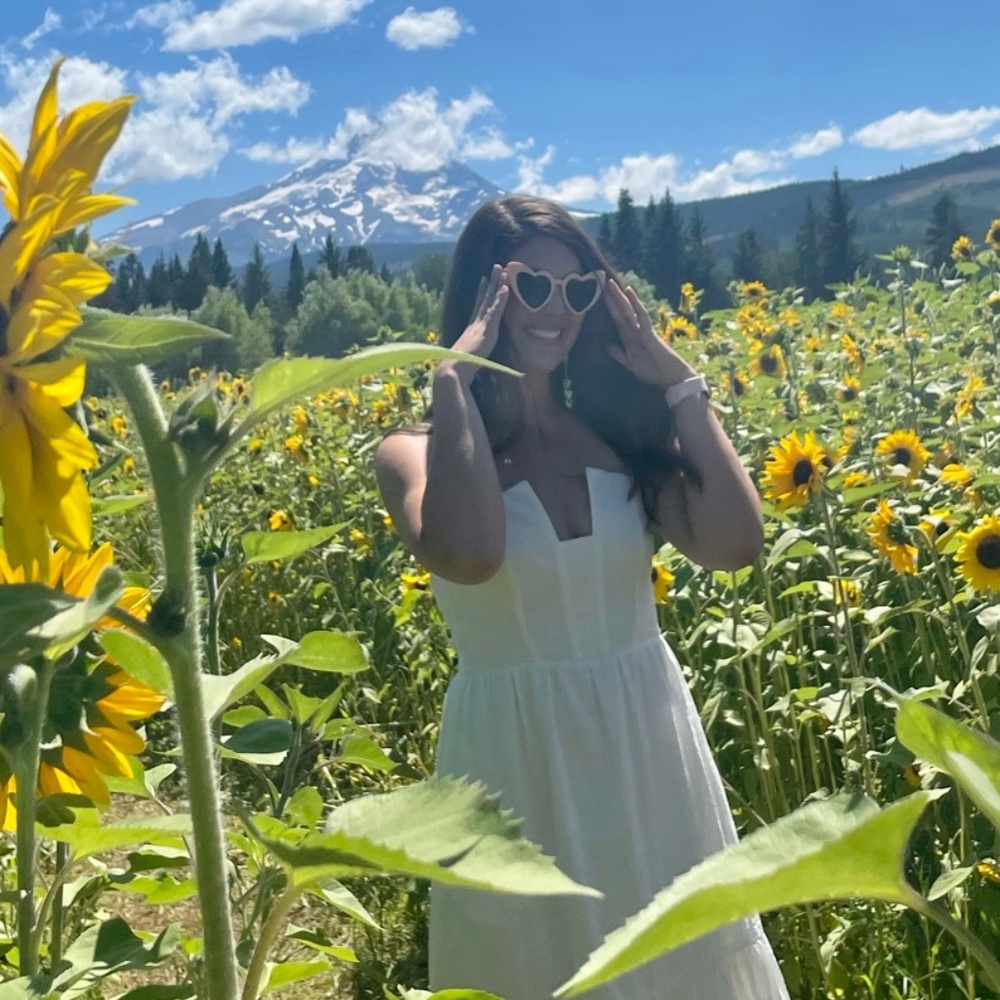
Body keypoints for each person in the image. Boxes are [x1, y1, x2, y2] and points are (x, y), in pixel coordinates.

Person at [375, 195, 789, 1000]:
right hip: (514, 756)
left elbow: (735, 545)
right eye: (531, 287)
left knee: (682, 957)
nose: (555, 311)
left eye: (577, 290)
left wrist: (679, 382)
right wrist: (454, 381)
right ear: (483, 298)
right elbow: (469, 554)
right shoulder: (411, 453)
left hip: (646, 739)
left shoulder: (615, 434)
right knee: (537, 964)